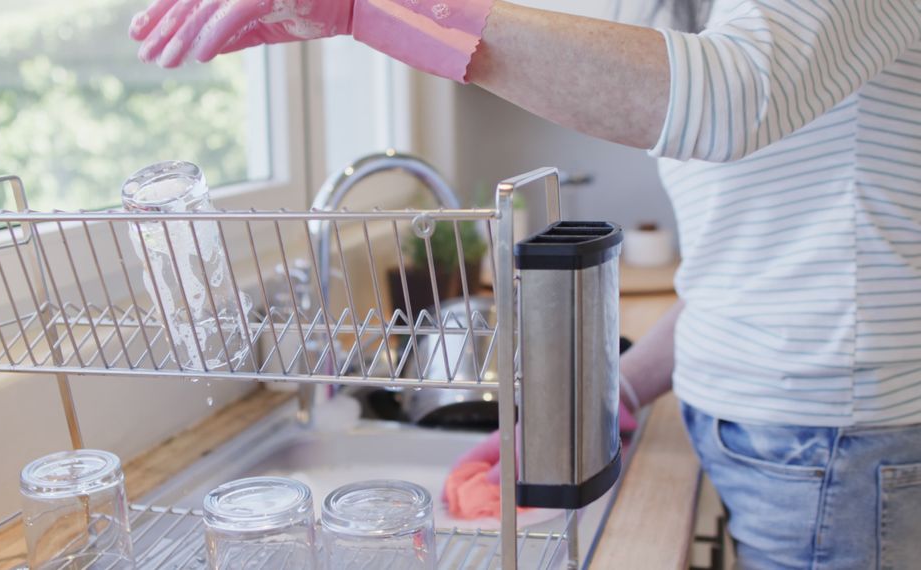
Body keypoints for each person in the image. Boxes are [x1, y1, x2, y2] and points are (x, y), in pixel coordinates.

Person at [130, 0, 921, 567]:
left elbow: (726, 96)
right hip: (770, 431)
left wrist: (377, 9)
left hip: (834, 441)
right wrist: (622, 391)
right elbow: (758, 268)